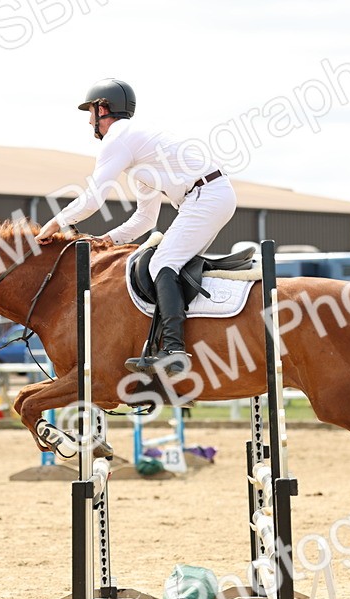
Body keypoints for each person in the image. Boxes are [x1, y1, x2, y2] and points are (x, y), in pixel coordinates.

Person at [36, 79, 238, 377]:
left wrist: (54, 224)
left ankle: (174, 351)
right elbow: (145, 220)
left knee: (162, 263)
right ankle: (179, 342)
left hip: (205, 196)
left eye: (90, 113)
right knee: (170, 266)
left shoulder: (118, 139)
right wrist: (105, 240)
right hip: (209, 195)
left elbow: (92, 198)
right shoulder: (141, 153)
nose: (89, 121)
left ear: (102, 109)